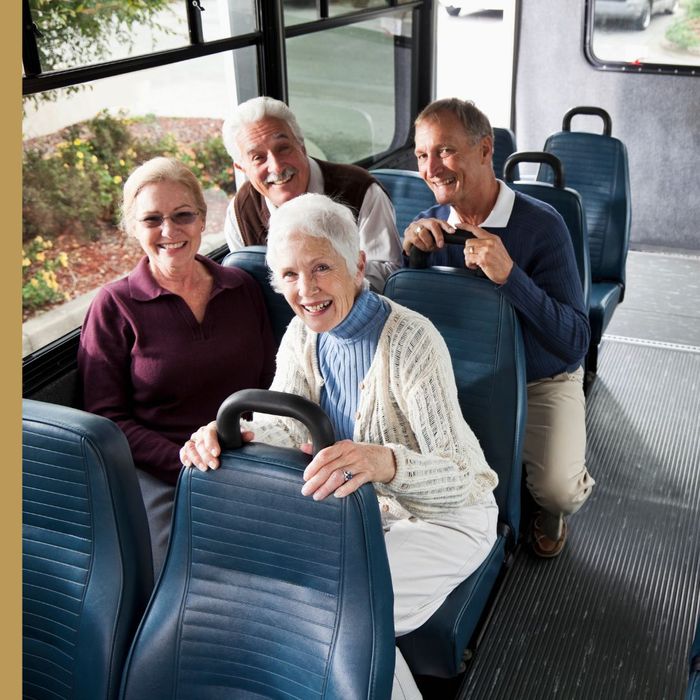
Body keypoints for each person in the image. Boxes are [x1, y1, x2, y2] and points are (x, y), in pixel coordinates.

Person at [180, 193, 499, 700]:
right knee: (286, 601)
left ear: (356, 265)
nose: (305, 290)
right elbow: (283, 424)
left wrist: (385, 462)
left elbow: (466, 477)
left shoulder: (412, 340)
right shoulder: (301, 337)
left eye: (321, 267)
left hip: (446, 514)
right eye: (288, 275)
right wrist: (229, 434)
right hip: (357, 514)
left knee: (346, 611)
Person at [403, 97, 594, 558]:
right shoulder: (427, 230)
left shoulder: (542, 226)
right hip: (461, 379)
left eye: (445, 151)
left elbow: (574, 340)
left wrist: (512, 277)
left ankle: (548, 511)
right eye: (422, 155)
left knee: (558, 490)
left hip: (541, 378)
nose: (431, 167)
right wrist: (411, 259)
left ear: (486, 150)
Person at [78, 157, 276, 576]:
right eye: (152, 219)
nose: (169, 231)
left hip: (249, 452)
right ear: (134, 229)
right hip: (160, 471)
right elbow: (106, 418)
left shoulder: (240, 287)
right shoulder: (113, 306)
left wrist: (247, 450)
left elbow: (268, 381)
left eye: (183, 215)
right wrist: (185, 460)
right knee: (181, 575)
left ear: (203, 219)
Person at [221, 95, 403, 293]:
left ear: (301, 145)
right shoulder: (240, 213)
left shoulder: (361, 191)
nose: (276, 166)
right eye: (258, 157)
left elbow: (386, 276)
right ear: (241, 167)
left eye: (283, 148)